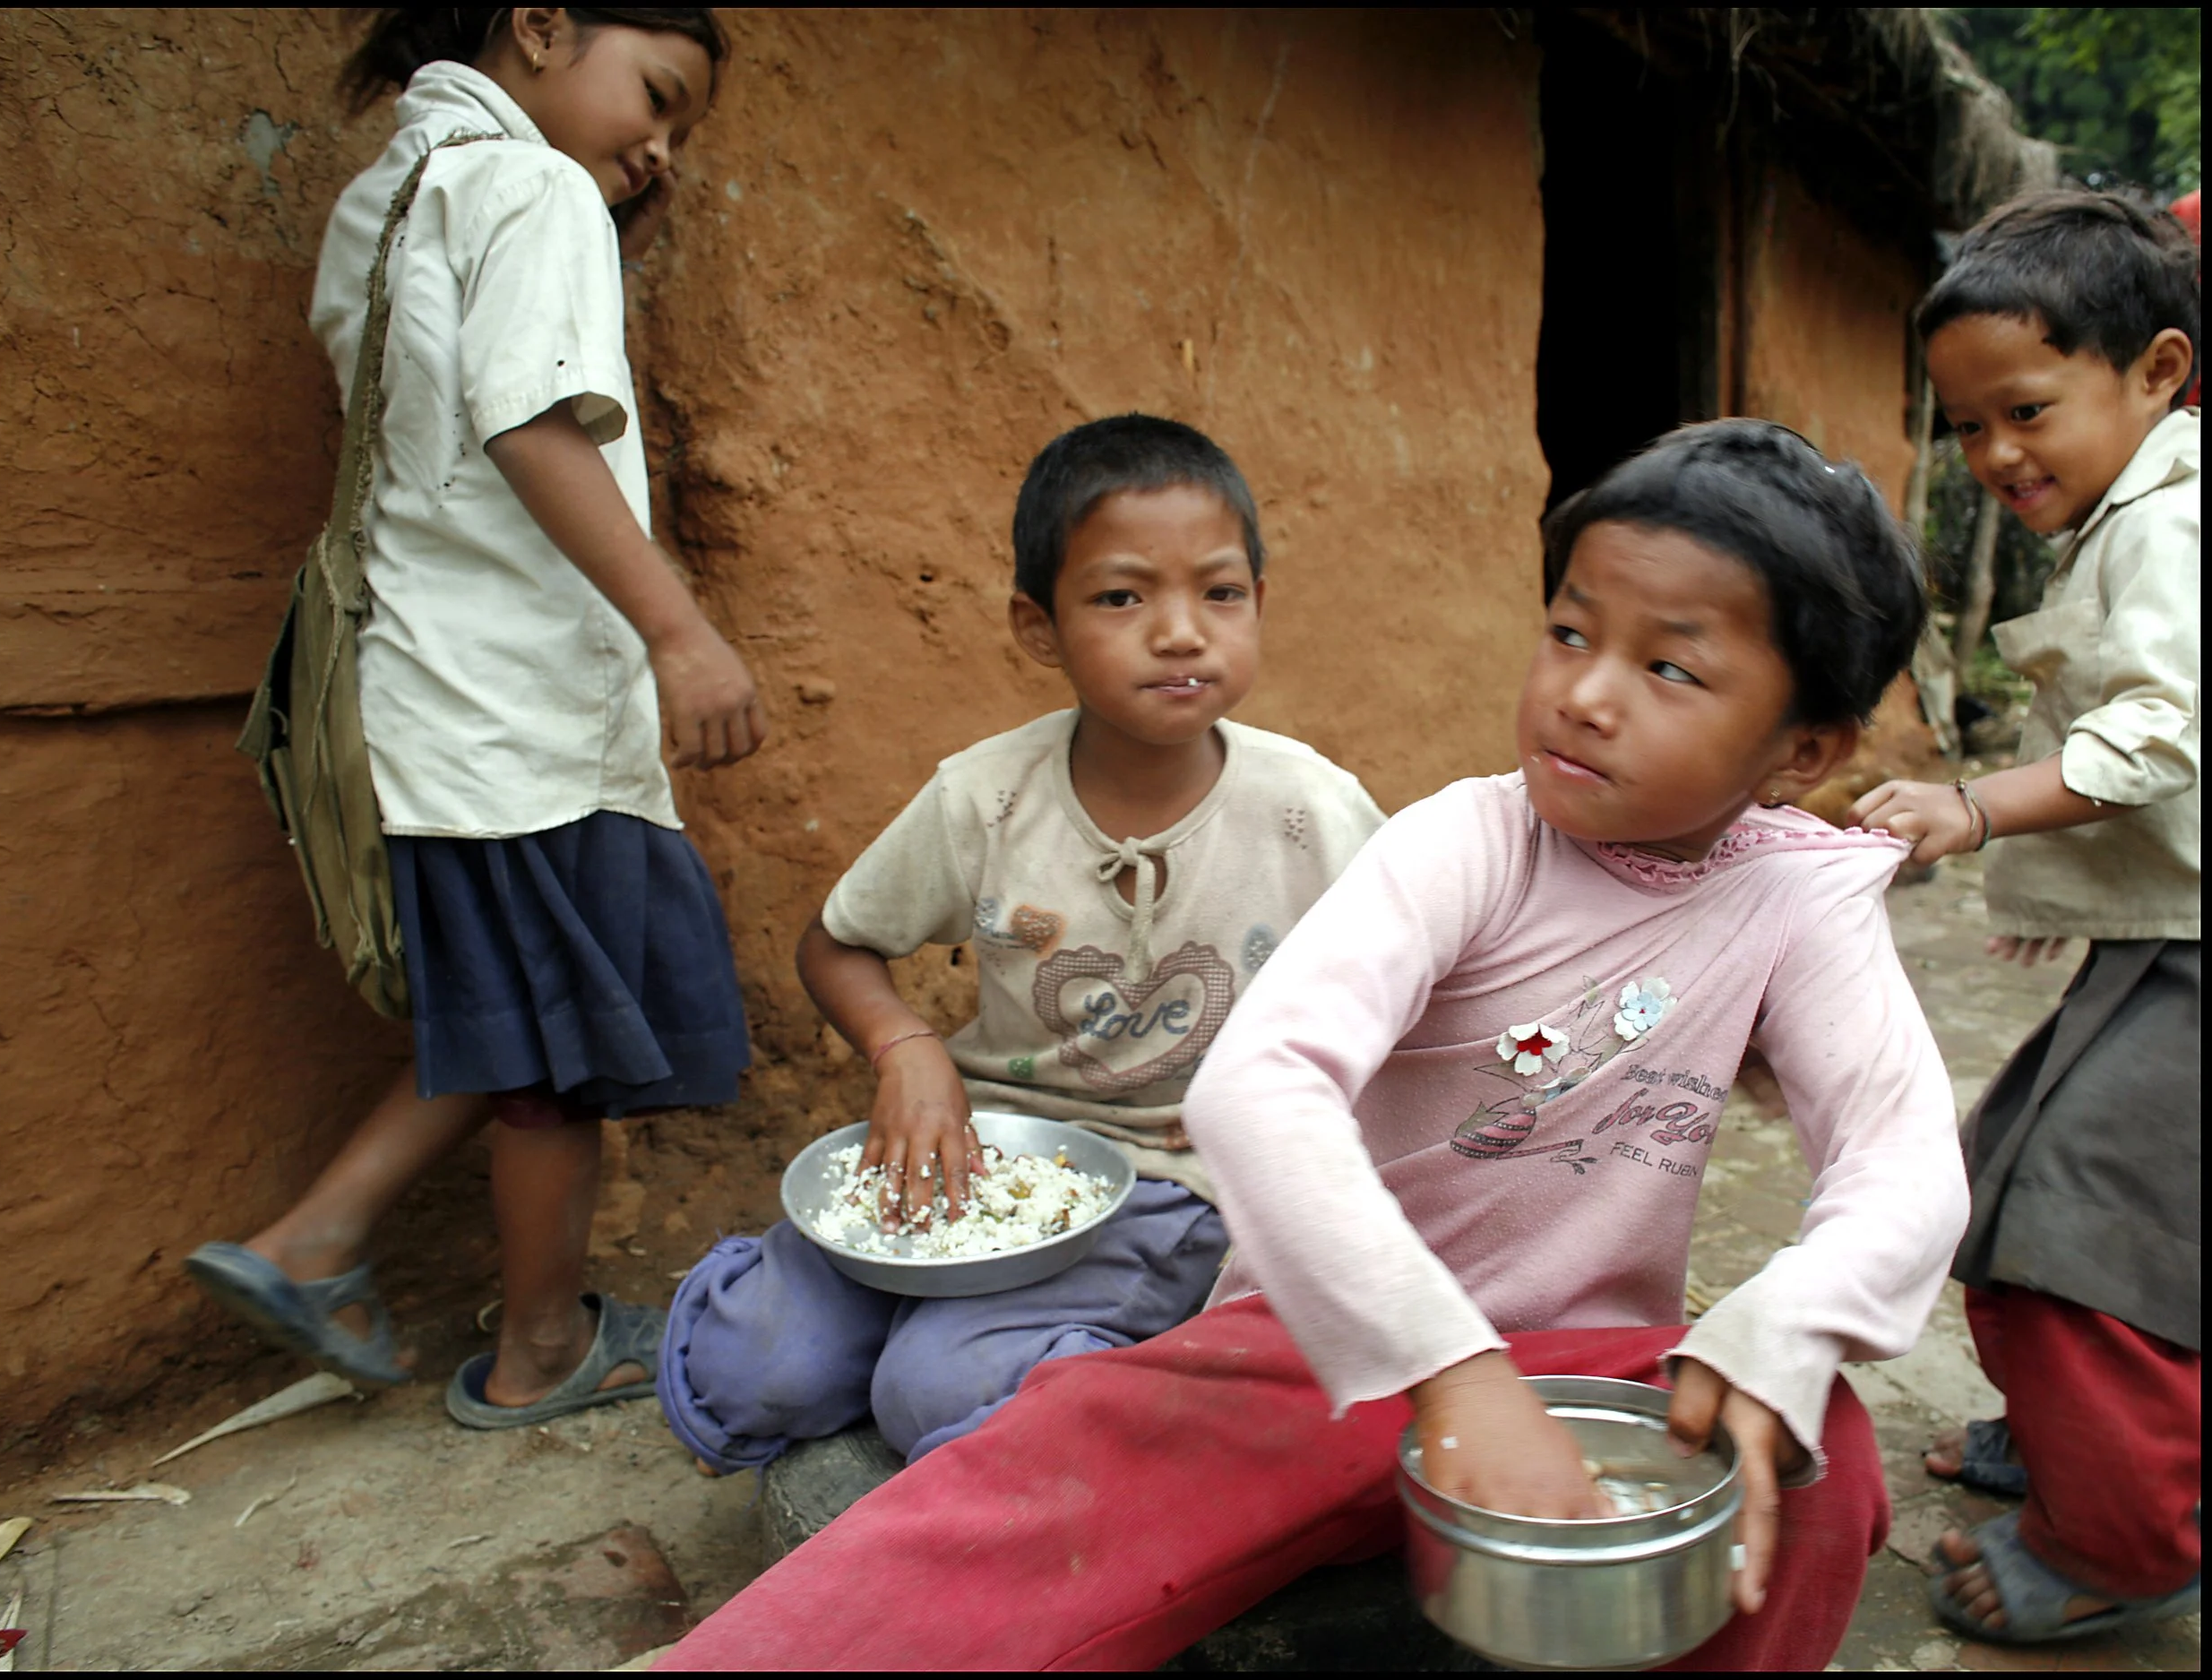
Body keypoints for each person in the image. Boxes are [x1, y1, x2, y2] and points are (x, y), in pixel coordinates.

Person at [653, 418, 1967, 1673]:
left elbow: (1905, 1168)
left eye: (1668, 666)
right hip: (1315, 1346)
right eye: (1569, 631)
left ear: (1805, 748)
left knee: (1816, 1449)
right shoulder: (1468, 841)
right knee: (1051, 1462)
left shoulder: (1804, 897)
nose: (1584, 694)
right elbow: (1262, 1085)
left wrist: (1780, 1328)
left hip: (1587, 1361)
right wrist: (1451, 1371)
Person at [186, 6, 766, 1429]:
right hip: (517, 715)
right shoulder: (531, 185)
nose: (658, 146)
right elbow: (526, 418)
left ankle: (318, 1241)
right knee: (555, 1057)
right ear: (544, 23)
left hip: (431, 704)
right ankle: (539, 1348)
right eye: (659, 94)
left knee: (521, 1025)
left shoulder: (392, 196)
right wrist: (680, 630)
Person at [655, 414, 1387, 1475]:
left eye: (1219, 593)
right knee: (756, 1369)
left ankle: (1068, 1363)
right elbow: (836, 946)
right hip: (982, 1153)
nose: (1181, 631)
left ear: (1258, 605)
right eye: (1122, 597)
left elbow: (1425, 991)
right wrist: (906, 1052)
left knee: (934, 1392)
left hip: (1176, 1176)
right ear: (1038, 628)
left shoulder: (1311, 810)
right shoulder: (985, 799)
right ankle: (934, 1334)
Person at [1848, 189, 2200, 1646]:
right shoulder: (2125, 514)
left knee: (2076, 1232)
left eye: (2027, 410)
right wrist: (2069, 893)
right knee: (2003, 1168)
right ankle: (2072, 1438)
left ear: (2160, 373)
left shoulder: (2172, 528)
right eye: (1968, 425)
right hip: (2160, 944)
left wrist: (1978, 805)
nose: (1994, 454)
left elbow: (2168, 731)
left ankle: (2124, 1535)